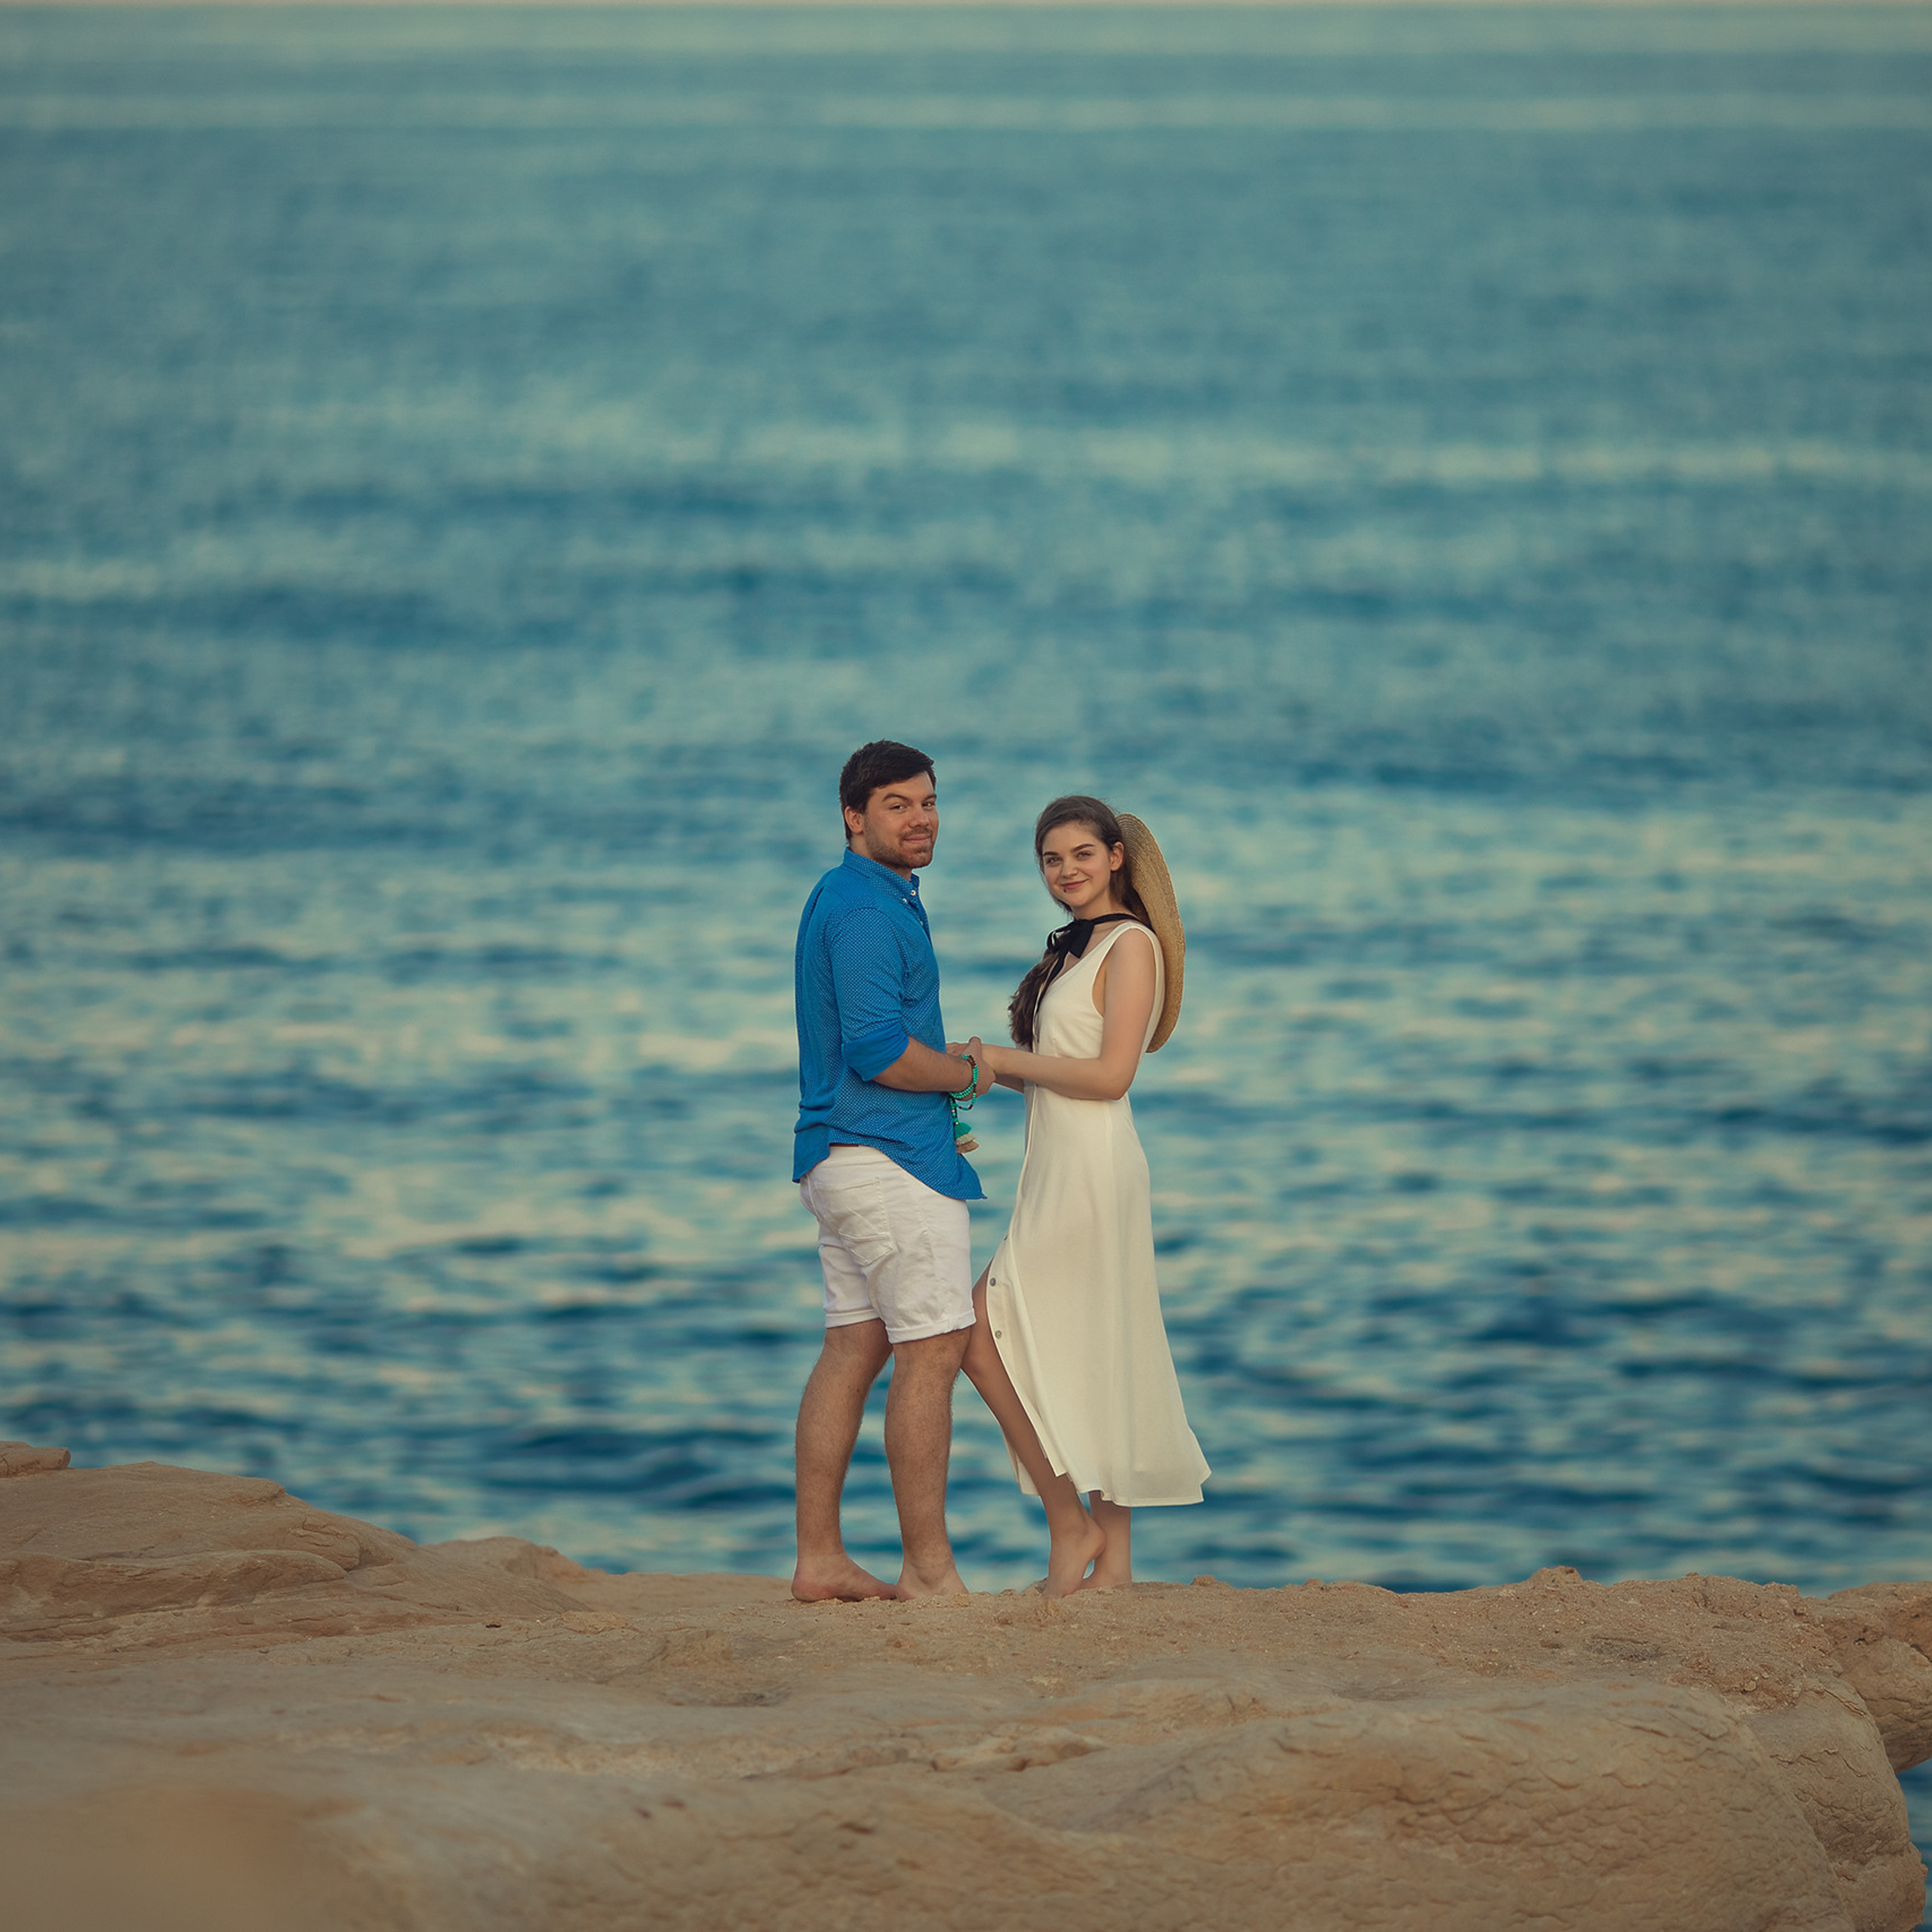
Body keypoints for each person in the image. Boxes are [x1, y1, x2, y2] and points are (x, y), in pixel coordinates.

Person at [956, 796, 1208, 1596]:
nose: (1065, 871)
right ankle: (1116, 1566)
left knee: (976, 1327)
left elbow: (1110, 1077)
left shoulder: (1130, 944)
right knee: (1097, 1344)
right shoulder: (1073, 949)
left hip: (1095, 1168)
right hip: (1055, 1165)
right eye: (1051, 859)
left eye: (1081, 855)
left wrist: (1004, 1058)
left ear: (1116, 857)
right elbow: (1056, 1075)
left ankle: (1072, 1524)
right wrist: (968, 1074)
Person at [790, 740, 995, 1603]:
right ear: (853, 816)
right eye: (897, 805)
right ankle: (929, 1573)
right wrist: (966, 1075)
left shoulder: (847, 894)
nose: (920, 819)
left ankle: (819, 1559)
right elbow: (878, 1051)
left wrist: (940, 1069)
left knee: (852, 1346)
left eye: (928, 802)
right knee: (933, 1350)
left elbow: (870, 1035)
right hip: (889, 1161)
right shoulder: (869, 910)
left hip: (839, 1154)